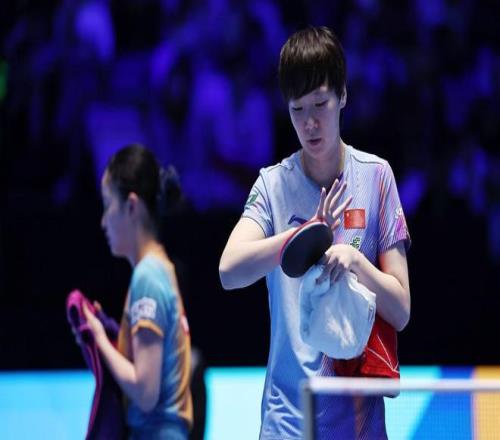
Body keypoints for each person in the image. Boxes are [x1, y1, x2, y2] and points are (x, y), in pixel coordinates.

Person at [219, 26, 411, 439]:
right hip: (287, 421)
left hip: (358, 423)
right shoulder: (273, 185)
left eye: (320, 104)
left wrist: (356, 262)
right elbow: (229, 270)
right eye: (297, 109)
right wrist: (302, 235)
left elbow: (401, 309)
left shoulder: (376, 178)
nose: (309, 123)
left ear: (343, 95)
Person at [81, 144, 193, 439]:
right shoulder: (162, 268)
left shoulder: (148, 277)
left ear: (131, 206)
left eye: (108, 204)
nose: (103, 221)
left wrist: (98, 338)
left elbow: (145, 392)